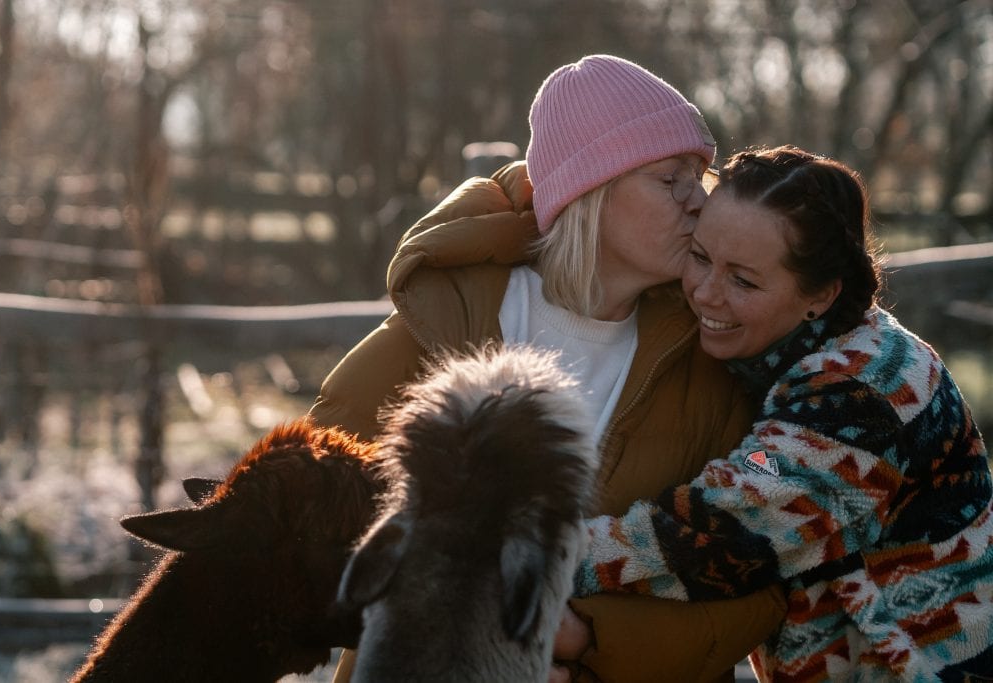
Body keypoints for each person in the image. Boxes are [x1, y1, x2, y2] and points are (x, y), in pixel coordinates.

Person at [310, 55, 786, 682]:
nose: (699, 202)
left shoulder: (714, 365)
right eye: (670, 179)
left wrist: (587, 641)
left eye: (699, 177)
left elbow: (761, 584)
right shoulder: (447, 323)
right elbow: (314, 516)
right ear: (591, 189)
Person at [564, 145, 993, 680]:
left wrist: (533, 558)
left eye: (743, 281)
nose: (704, 293)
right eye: (699, 258)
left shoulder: (866, 391)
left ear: (821, 294)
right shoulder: (782, 348)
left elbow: (730, 523)